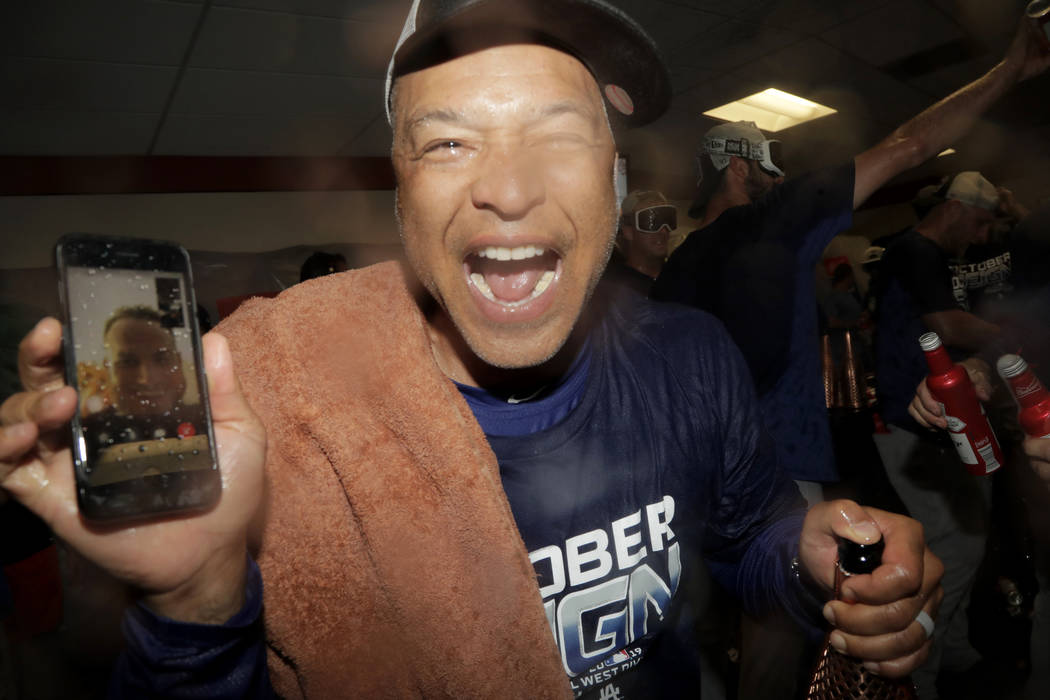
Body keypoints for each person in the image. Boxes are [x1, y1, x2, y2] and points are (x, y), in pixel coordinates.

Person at [2, 1, 942, 697]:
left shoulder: (691, 353)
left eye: (558, 133)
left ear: (615, 182)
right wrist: (198, 607)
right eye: (448, 144)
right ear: (400, 196)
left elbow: (748, 536)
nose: (508, 188)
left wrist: (807, 554)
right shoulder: (274, 423)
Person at [873, 172, 1010, 699]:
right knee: (953, 545)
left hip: (947, 421)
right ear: (953, 208)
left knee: (968, 540)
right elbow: (948, 327)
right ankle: (919, 677)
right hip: (917, 423)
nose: (979, 236)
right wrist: (1019, 332)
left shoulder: (925, 256)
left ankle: (949, 649)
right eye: (977, 222)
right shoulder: (916, 250)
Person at [79, 306, 203, 459]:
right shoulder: (86, 433)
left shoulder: (206, 420)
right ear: (108, 368)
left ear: (177, 362)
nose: (147, 379)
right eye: (128, 362)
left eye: (162, 359)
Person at [603, 190, 676, 296]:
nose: (663, 231)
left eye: (667, 220)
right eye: (650, 222)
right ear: (628, 232)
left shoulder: (681, 278)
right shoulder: (614, 289)